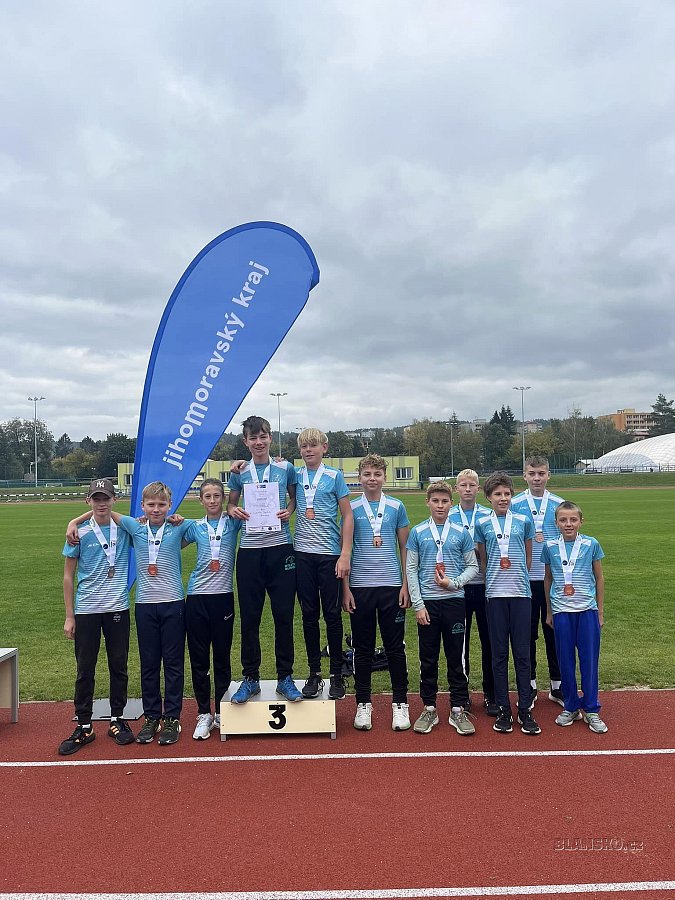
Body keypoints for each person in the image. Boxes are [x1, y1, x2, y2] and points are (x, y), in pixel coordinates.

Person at [67, 480, 194, 745]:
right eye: (151, 504)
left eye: (162, 505)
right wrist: (73, 521)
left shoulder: (179, 525)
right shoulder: (133, 526)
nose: (156, 509)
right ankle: (150, 718)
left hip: (173, 603)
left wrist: (179, 517)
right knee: (148, 663)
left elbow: (205, 526)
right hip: (144, 606)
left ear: (170, 506)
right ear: (142, 506)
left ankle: (171, 718)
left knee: (172, 663)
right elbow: (101, 511)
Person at [227, 415, 302, 703]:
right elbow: (231, 503)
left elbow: (294, 498)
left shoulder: (286, 468)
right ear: (245, 441)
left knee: (283, 616)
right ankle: (251, 678)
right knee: (250, 618)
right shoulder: (240, 471)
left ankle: (285, 677)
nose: (258, 442)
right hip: (249, 553)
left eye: (263, 437)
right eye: (253, 438)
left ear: (270, 437)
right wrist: (234, 509)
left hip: (281, 549)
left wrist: (290, 510)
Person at [59, 478, 134, 755]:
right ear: (88, 501)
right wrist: (70, 616)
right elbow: (68, 576)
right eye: (96, 498)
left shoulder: (124, 529)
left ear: (114, 499)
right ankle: (84, 725)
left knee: (119, 665)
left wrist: (75, 518)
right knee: (85, 669)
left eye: (106, 498)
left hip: (117, 608)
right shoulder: (79, 533)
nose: (101, 503)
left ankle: (117, 719)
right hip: (87, 610)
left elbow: (145, 523)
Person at [342, 454, 411, 732]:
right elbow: (343, 549)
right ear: (359, 477)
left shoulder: (396, 506)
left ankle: (400, 703)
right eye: (367, 474)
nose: (372, 479)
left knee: (395, 648)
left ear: (385, 477)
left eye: (377, 474)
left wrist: (406, 585)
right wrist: (345, 589)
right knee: (363, 648)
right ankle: (363, 704)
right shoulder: (351, 508)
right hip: (359, 587)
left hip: (392, 587)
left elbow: (406, 548)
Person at [406, 481, 479, 735]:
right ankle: (429, 708)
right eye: (435, 501)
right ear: (427, 502)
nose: (440, 505)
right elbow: (411, 570)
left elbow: (473, 567)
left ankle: (458, 709)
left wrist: (454, 582)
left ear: (451, 503)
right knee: (428, 659)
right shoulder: (417, 532)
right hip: (427, 605)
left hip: (454, 603)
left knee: (456, 658)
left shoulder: (461, 532)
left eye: (444, 501)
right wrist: (418, 605)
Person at [474, 472, 541, 735]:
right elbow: (483, 558)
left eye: (507, 493)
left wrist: (517, 579)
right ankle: (504, 709)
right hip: (494, 596)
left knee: (523, 654)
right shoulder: (482, 524)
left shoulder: (523, 521)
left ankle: (525, 708)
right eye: (498, 494)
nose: (503, 498)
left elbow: (527, 556)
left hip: (521, 595)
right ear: (488, 497)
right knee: (499, 655)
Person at [293, 428, 353, 700]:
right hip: (302, 555)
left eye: (313, 446)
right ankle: (314, 674)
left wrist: (345, 554)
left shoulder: (334, 476)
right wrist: (240, 466)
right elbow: (268, 471)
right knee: (308, 615)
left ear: (324, 448)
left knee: (332, 615)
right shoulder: (294, 474)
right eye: (304, 446)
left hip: (329, 556)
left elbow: (347, 516)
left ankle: (337, 675)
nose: (308, 450)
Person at [183, 478, 241, 739]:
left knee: (222, 657)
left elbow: (262, 508)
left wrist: (237, 479)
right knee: (199, 659)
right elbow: (161, 532)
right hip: (197, 598)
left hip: (223, 598)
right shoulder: (194, 527)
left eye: (217, 496)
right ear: (201, 500)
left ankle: (222, 710)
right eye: (207, 496)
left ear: (224, 497)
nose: (213, 501)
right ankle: (204, 713)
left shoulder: (234, 521)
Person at [542, 501, 607, 733]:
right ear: (556, 523)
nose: (568, 524)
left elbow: (599, 578)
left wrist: (599, 611)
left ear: (581, 521)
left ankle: (591, 709)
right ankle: (570, 706)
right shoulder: (550, 546)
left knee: (589, 662)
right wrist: (550, 611)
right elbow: (548, 579)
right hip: (562, 612)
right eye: (563, 520)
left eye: (573, 519)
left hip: (587, 611)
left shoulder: (591, 544)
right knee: (565, 662)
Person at [511, 456, 564, 708]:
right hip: (524, 581)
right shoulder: (514, 503)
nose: (536, 478)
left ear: (548, 475)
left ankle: (557, 685)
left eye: (541, 473)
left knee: (554, 632)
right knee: (527, 635)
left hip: (552, 581)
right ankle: (529, 685)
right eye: (532, 473)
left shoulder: (559, 504)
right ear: (524, 475)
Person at [449, 469, 497, 716]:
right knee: (461, 643)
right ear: (456, 488)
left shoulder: (489, 515)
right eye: (463, 485)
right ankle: (462, 694)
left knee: (490, 642)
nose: (467, 489)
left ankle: (491, 693)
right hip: (459, 589)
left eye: (472, 485)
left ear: (479, 489)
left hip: (487, 586)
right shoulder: (448, 515)